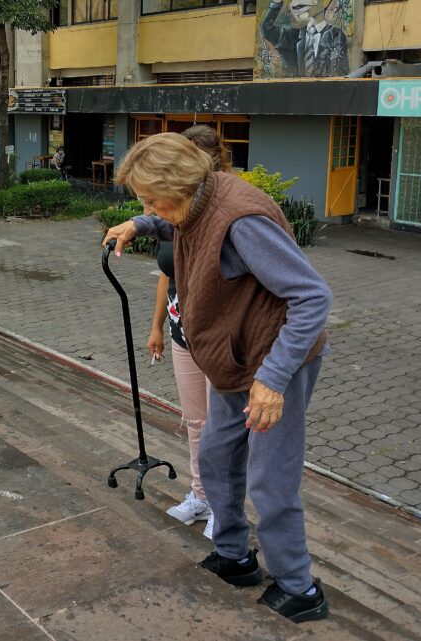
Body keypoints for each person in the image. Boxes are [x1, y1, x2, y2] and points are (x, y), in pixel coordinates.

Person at [104, 132, 332, 623]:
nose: (149, 207)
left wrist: (272, 380)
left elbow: (312, 298)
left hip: (276, 363)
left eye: (149, 199)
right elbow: (179, 223)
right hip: (234, 359)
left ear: (178, 185)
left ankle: (300, 589)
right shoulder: (198, 200)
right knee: (215, 454)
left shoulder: (243, 221)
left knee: (271, 479)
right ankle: (235, 557)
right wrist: (139, 224)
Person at [149, 125, 233, 540]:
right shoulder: (175, 212)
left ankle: (225, 507)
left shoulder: (224, 209)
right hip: (183, 332)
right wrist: (157, 327)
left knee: (223, 427)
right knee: (196, 422)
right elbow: (168, 273)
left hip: (219, 339)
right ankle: (200, 496)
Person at [260, 0, 349, 77]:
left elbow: (340, 72)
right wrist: (277, 2)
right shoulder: (293, 35)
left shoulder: (336, 34)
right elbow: (266, 28)